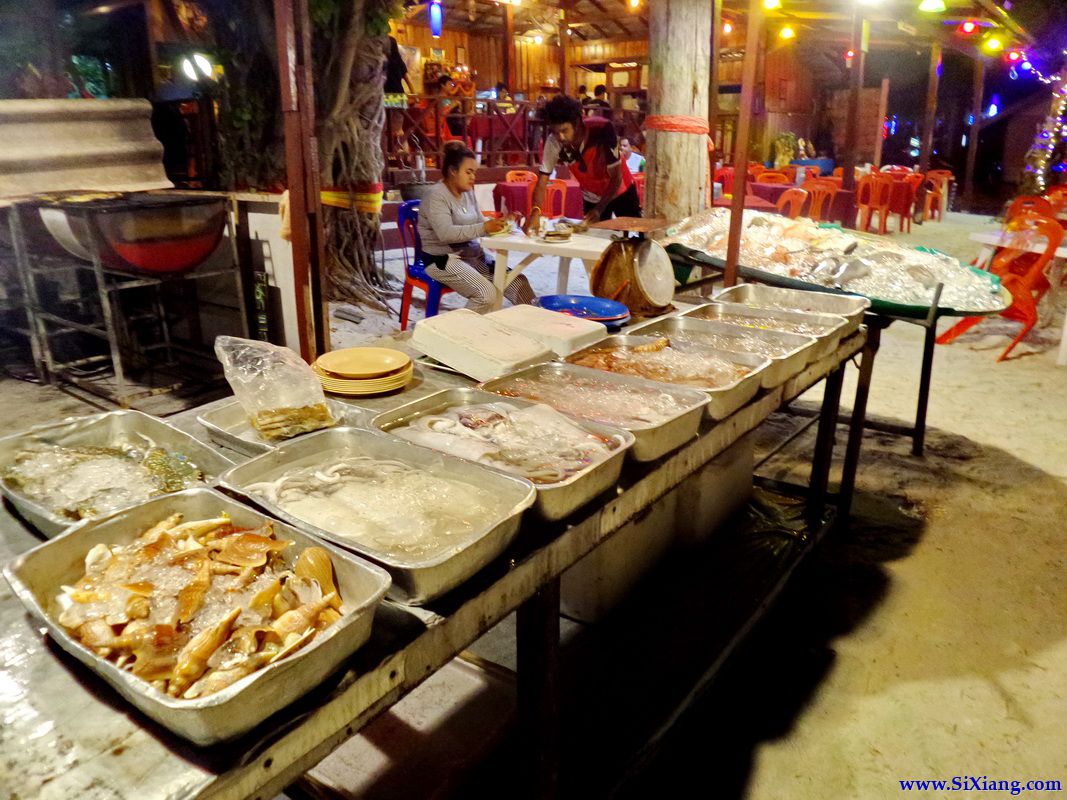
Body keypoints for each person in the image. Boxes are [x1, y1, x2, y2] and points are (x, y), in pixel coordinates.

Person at [418, 142, 535, 314]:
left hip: (472, 255)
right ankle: (459, 337)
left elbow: (479, 221)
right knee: (486, 293)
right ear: (452, 171)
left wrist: (502, 223)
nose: (473, 177)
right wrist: (484, 227)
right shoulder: (436, 195)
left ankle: (534, 328)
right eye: (468, 172)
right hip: (442, 259)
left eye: (474, 172)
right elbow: (445, 233)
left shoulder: (468, 192)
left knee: (518, 282)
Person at [529, 95, 640, 229]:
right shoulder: (553, 142)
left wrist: (600, 209)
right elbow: (542, 181)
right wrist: (535, 212)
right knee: (595, 243)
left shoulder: (603, 129)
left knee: (634, 238)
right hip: (591, 195)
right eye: (555, 132)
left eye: (564, 130)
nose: (561, 137)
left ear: (577, 123)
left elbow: (616, 178)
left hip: (621, 190)